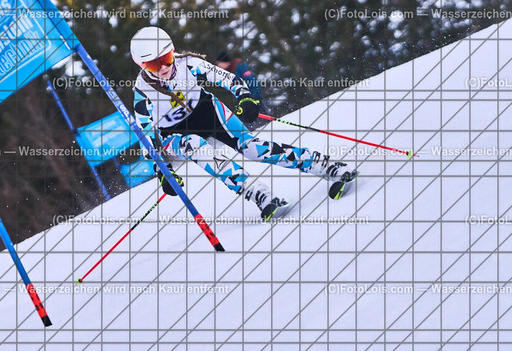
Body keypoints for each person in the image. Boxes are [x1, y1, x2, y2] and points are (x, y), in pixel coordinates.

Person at [130, 27, 356, 221]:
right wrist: (162, 170)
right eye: (154, 65)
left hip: (206, 111)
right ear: (142, 66)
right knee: (201, 150)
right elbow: (146, 136)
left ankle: (326, 166)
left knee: (252, 148)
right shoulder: (142, 92)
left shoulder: (187, 63)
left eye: (166, 58)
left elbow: (227, 78)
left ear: (173, 51)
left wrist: (245, 97)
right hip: (174, 133)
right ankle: (260, 195)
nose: (163, 67)